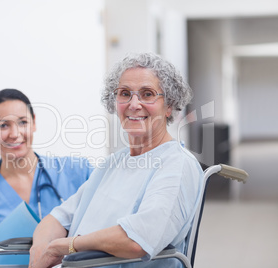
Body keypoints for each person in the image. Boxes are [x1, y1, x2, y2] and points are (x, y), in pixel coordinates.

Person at [29, 53, 204, 268]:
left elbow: (137, 240)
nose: (134, 104)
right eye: (124, 94)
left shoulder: (177, 165)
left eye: (147, 94)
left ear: (169, 105)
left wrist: (67, 246)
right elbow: (57, 218)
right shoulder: (113, 164)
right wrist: (40, 248)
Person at [0, 89, 93, 268]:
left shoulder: (79, 172)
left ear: (34, 123)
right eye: (3, 125)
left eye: (22, 122)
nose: (15, 133)